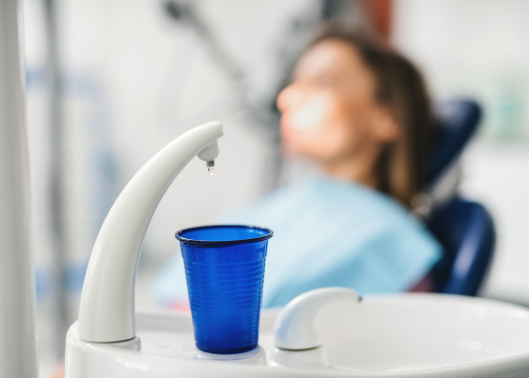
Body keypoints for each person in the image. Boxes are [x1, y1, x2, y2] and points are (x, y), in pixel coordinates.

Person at [151, 25, 442, 309]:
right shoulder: (276, 206)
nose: (286, 98)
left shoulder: (389, 242)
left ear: (385, 117)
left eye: (323, 82)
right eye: (294, 82)